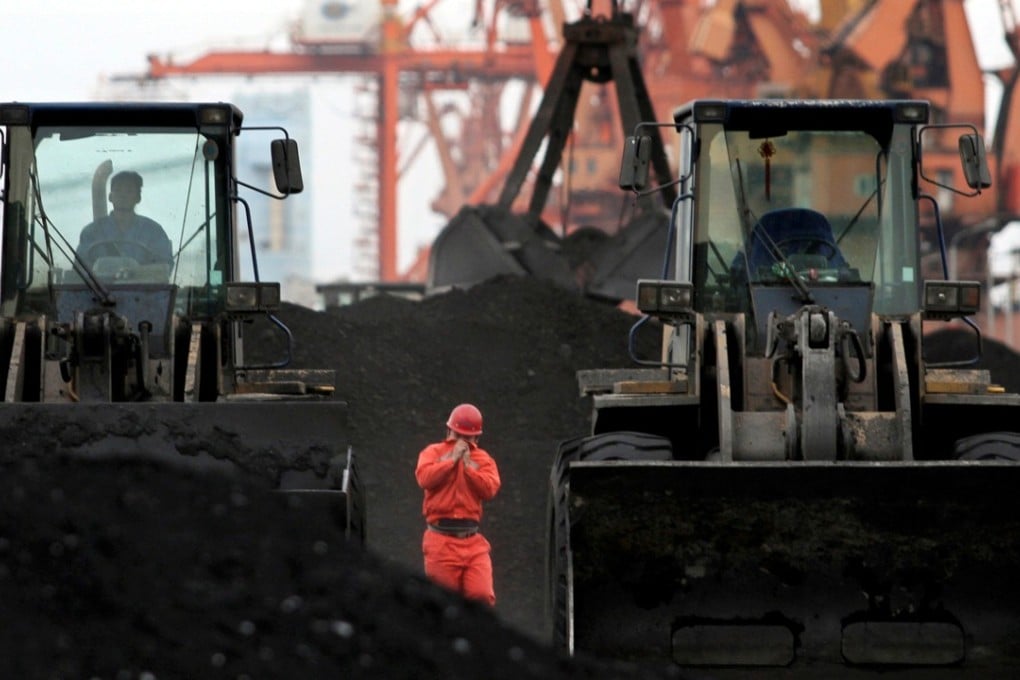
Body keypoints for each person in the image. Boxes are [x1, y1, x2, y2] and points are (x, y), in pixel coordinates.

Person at [415, 403, 501, 607]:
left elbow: (489, 489)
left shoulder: (483, 459)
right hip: (440, 541)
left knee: (481, 596)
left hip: (472, 541)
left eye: (468, 438)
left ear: (476, 439)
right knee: (444, 605)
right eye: (457, 435)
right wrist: (451, 461)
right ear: (448, 432)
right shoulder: (432, 452)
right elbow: (424, 478)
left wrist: (469, 467)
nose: (462, 442)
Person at [77, 169, 174, 274]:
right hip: (97, 285)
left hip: (143, 285)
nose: (122, 195)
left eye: (129, 191)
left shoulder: (154, 232)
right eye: (118, 190)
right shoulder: (91, 232)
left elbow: (164, 268)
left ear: (138, 198)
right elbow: (79, 270)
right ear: (110, 197)